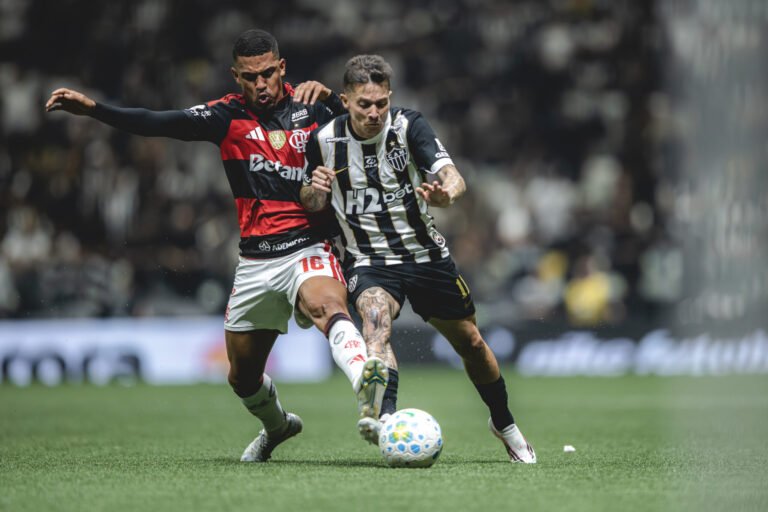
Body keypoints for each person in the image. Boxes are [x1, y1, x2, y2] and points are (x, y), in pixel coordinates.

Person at [45, 30, 389, 462]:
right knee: (242, 378)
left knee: (327, 306)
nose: (261, 84)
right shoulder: (225, 117)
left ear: (282, 68)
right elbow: (157, 121)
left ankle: (367, 386)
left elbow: (368, 132)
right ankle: (278, 426)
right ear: (235, 76)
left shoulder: (314, 105)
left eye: (268, 73)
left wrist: (337, 102)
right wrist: (95, 110)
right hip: (256, 261)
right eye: (250, 77)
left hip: (310, 246)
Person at [300, 54, 536, 463]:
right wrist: (314, 190)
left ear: (390, 97)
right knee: (376, 323)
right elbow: (309, 200)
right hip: (368, 259)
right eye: (364, 105)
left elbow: (453, 177)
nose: (374, 113)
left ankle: (504, 422)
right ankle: (386, 420)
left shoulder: (409, 126)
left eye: (381, 103)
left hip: (425, 256)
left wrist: (447, 196)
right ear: (345, 100)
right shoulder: (322, 141)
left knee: (471, 343)